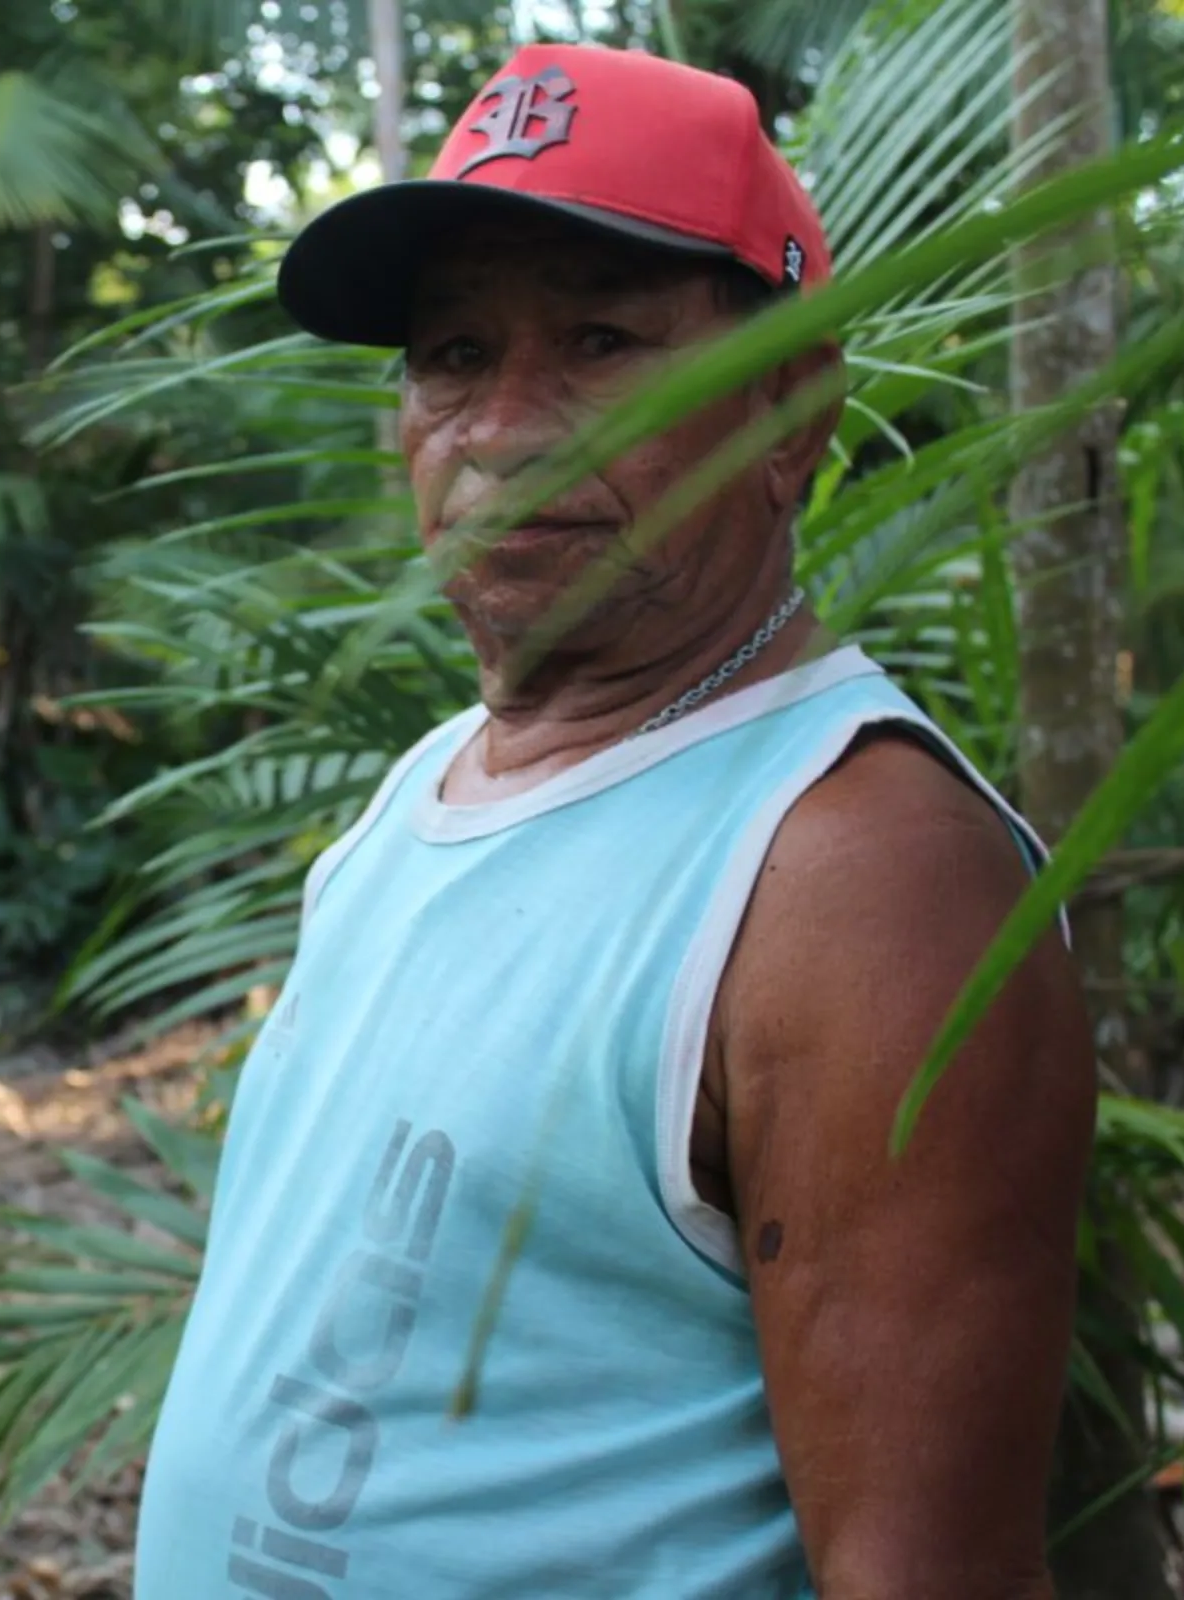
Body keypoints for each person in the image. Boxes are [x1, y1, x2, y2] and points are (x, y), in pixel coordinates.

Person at [130, 42, 1094, 1600]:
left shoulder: (858, 874)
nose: (503, 431)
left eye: (598, 341)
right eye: (451, 354)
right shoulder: (421, 792)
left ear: (790, 410)